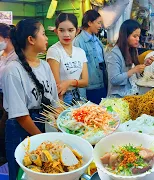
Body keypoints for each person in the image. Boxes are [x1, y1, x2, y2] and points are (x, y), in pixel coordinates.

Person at [3, 19, 59, 179]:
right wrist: (42, 138)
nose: (47, 38)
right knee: (23, 173)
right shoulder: (13, 70)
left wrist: (62, 125)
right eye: (43, 34)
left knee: (43, 171)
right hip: (21, 129)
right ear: (31, 39)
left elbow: (54, 102)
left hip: (42, 124)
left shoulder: (45, 66)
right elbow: (20, 115)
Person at [47, 13, 88, 105]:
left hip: (79, 96)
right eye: (62, 30)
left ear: (77, 31)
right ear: (56, 31)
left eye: (70, 30)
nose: (66, 34)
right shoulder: (54, 51)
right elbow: (57, 87)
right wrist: (59, 108)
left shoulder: (81, 52)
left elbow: (85, 81)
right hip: (62, 98)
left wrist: (69, 82)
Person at [106, 19, 154, 98]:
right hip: (118, 99)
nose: (137, 39)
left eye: (138, 36)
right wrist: (133, 70)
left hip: (132, 95)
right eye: (134, 36)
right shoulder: (114, 54)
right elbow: (114, 79)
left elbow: (134, 76)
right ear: (125, 36)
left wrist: (144, 65)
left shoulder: (132, 50)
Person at [73, 10, 106, 104]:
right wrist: (82, 97)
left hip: (101, 85)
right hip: (89, 89)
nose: (100, 26)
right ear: (90, 23)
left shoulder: (97, 40)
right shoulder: (78, 42)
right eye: (98, 23)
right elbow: (78, 71)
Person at [0, 23, 18, 164]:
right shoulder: (2, 55)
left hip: (8, 97)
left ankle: (5, 158)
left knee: (4, 129)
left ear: (7, 39)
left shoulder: (16, 57)